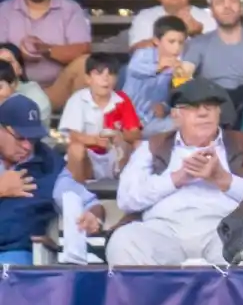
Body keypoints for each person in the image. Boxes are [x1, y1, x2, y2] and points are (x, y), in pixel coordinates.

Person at [107, 78, 243, 266]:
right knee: (124, 242)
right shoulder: (152, 147)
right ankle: (152, 297)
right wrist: (177, 178)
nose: (203, 113)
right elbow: (127, 199)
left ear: (219, 112)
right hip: (164, 231)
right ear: (176, 115)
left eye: (210, 106)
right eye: (193, 107)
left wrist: (223, 179)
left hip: (225, 230)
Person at [0, 93, 103, 265]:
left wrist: (93, 216)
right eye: (20, 137)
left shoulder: (50, 167)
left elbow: (89, 203)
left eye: (32, 138)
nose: (27, 145)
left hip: (13, 255)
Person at [59, 54, 142, 182]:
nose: (106, 79)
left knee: (138, 145)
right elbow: (72, 136)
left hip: (115, 156)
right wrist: (96, 140)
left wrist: (121, 136)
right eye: (99, 73)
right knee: (76, 149)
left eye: (111, 74)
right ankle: (79, 192)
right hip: (89, 158)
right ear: (88, 79)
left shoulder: (122, 100)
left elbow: (135, 133)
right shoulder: (78, 99)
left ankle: (129, 187)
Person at [124, 15, 194, 135]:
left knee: (185, 121)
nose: (176, 47)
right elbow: (135, 70)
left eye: (181, 42)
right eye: (171, 42)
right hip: (128, 117)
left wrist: (164, 106)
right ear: (156, 41)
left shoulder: (180, 66)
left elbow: (179, 95)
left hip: (154, 121)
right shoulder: (143, 55)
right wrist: (160, 67)